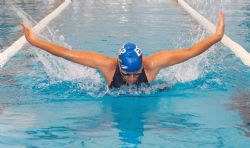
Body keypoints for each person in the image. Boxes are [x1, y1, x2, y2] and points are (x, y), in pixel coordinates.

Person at [22, 12, 225, 88]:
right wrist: (34, 41)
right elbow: (66, 54)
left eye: (136, 73)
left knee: (164, 87)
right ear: (119, 64)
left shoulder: (153, 64)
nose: (131, 79)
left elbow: (190, 52)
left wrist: (216, 37)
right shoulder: (107, 66)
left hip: (151, 92)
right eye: (127, 74)